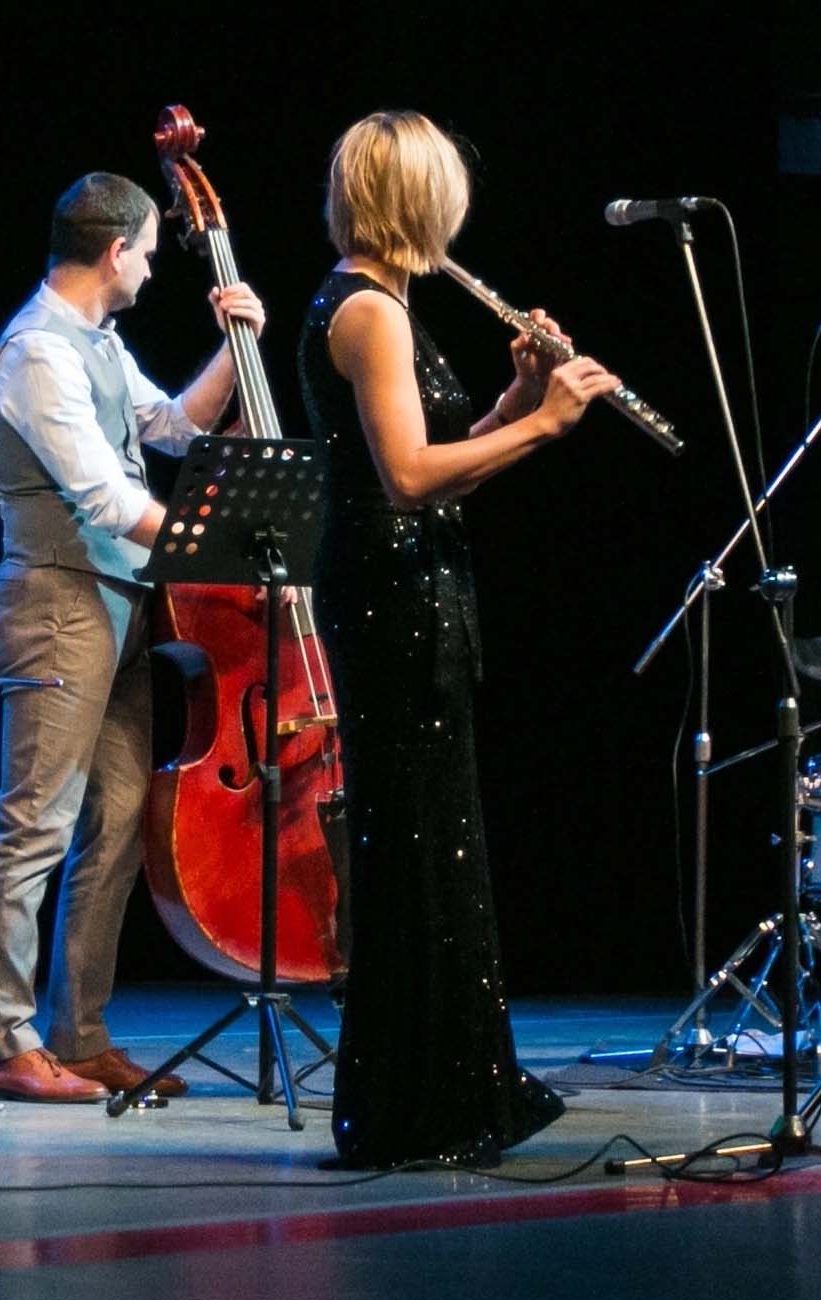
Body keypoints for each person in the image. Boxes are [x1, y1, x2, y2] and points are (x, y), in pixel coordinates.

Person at [296, 110, 620, 1169]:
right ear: (420, 201)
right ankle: (411, 1106)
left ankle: (443, 1090)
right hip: (389, 601)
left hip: (407, 589)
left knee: (435, 842)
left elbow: (436, 463)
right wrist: (548, 423)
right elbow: (407, 480)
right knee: (412, 847)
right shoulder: (370, 312)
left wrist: (516, 397)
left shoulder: (383, 304)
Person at [0, 172, 266, 1101]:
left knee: (114, 825)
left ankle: (81, 1034)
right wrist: (216, 551)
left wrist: (235, 348)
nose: (151, 266)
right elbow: (104, 498)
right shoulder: (38, 350)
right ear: (115, 251)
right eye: (146, 251)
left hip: (117, 605)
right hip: (57, 603)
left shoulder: (97, 340)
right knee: (36, 824)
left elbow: (171, 427)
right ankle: (8, 1044)